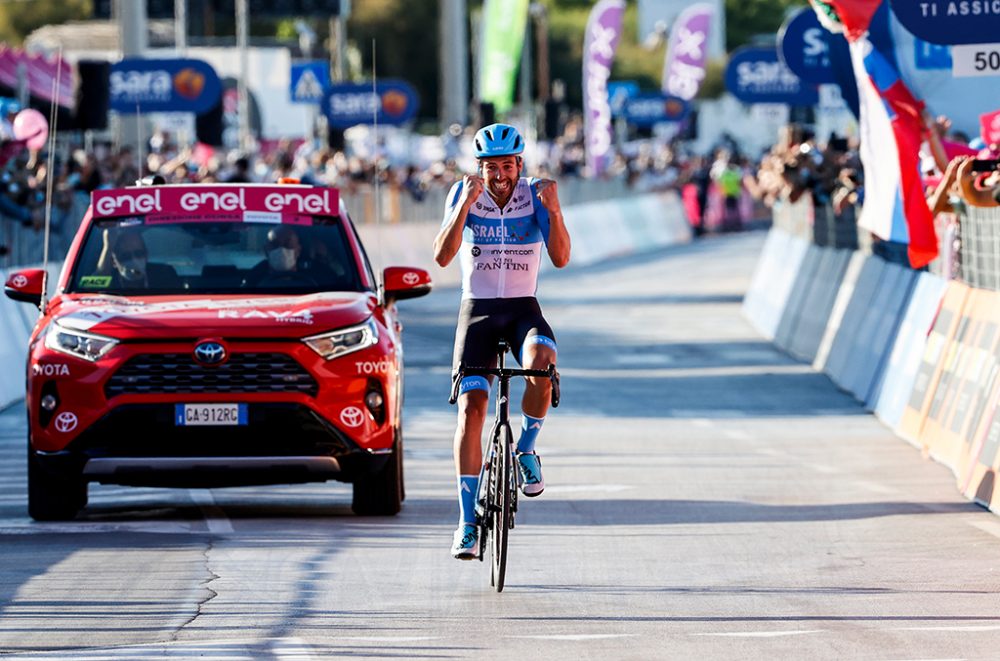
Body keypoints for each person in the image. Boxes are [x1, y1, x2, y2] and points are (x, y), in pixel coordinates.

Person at [433, 123, 571, 559]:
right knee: (473, 410)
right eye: (491, 167)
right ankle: (467, 522)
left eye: (507, 165)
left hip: (521, 309)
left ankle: (526, 448)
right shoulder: (463, 193)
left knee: (541, 361)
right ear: (480, 168)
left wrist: (554, 210)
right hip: (476, 311)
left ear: (519, 164)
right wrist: (464, 208)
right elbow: (441, 255)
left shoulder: (536, 194)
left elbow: (563, 258)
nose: (500, 174)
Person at [100, 228, 180, 290]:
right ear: (114, 261)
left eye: (138, 254)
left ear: (146, 255)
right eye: (126, 256)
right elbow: (94, 287)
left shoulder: (165, 275)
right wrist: (108, 247)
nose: (133, 260)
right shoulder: (109, 281)